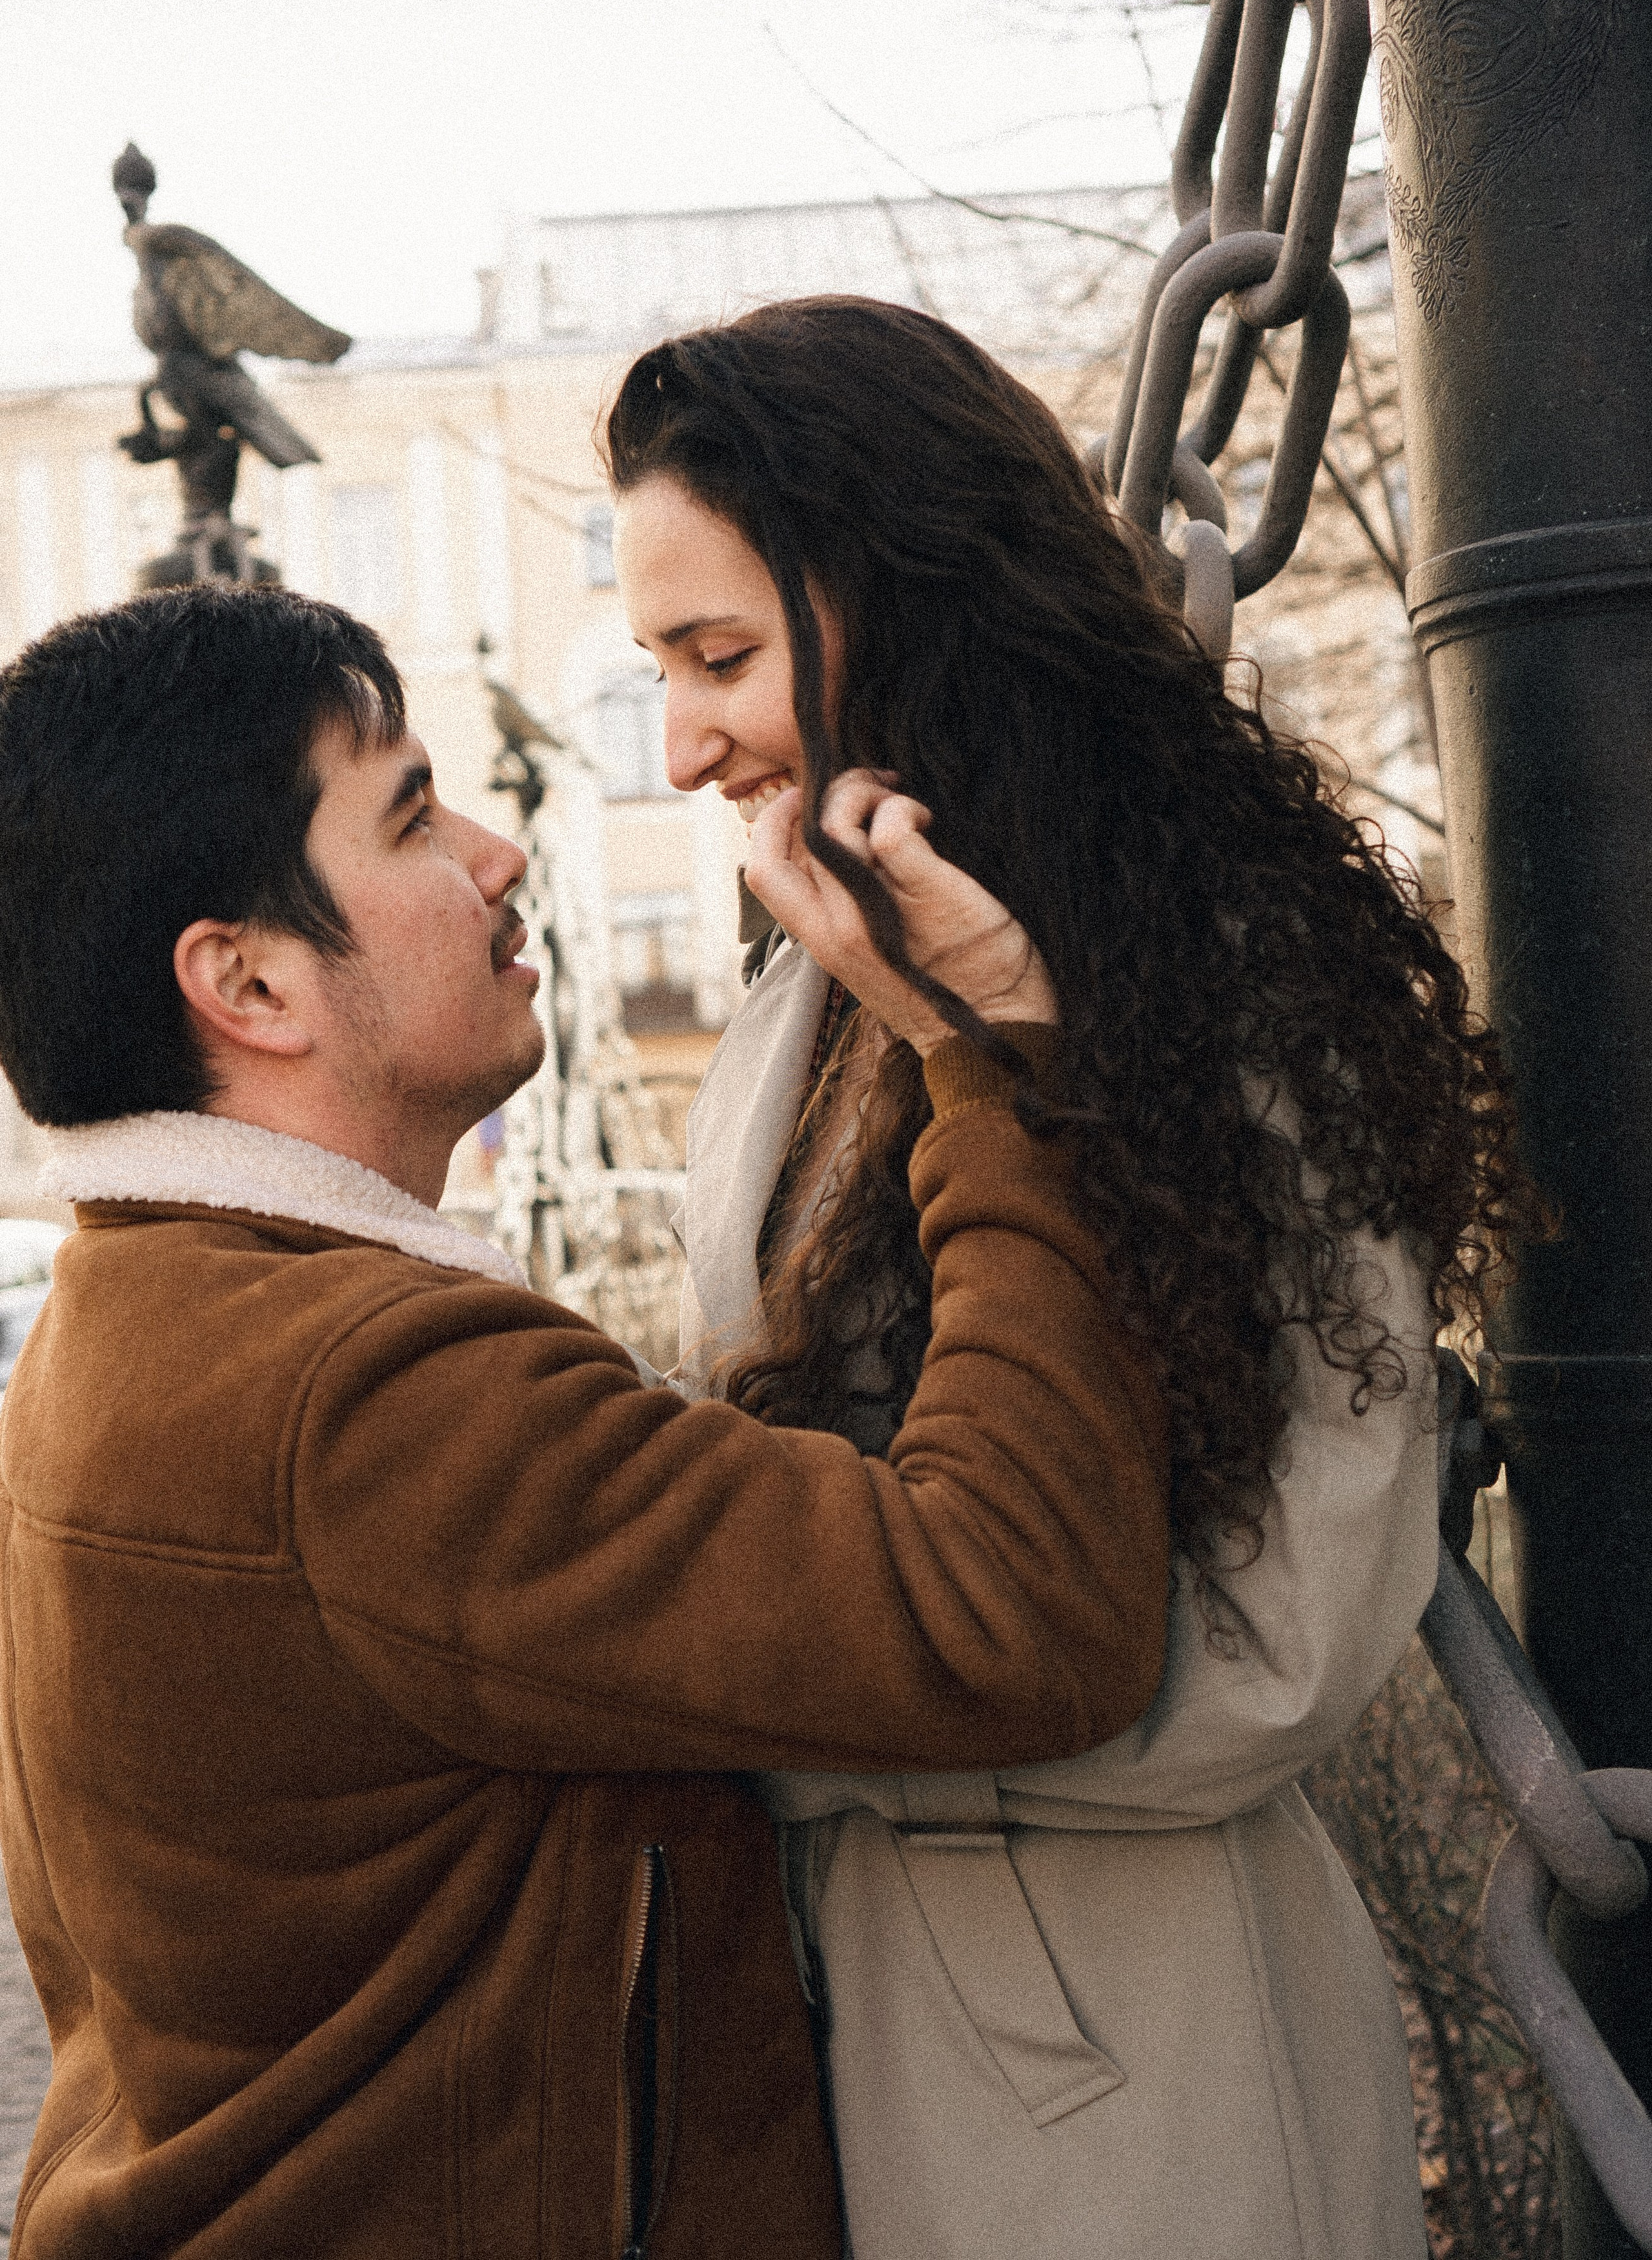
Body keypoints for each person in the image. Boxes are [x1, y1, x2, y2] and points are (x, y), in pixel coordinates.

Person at [0, 585, 1175, 2260]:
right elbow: (1014, 1611)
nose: (496, 853)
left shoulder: (131, 1320)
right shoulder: (363, 1396)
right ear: (249, 982)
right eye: (410, 815)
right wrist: (996, 1065)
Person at [607, 296, 1536, 2260]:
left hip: (1123, 2046)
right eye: (658, 670)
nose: (681, 741)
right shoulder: (819, 999)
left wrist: (757, 1691)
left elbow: (1287, 1643)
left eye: (722, 657)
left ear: (909, 607)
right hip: (860, 2009)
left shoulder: (1220, 975)